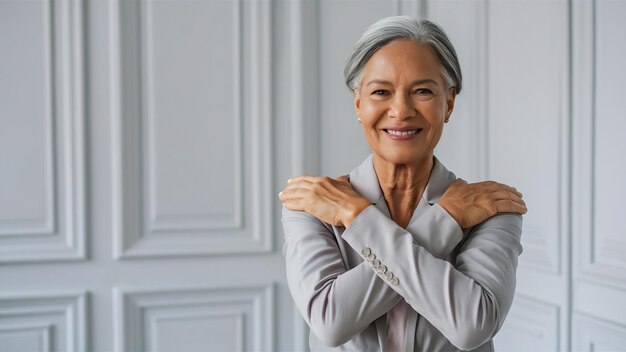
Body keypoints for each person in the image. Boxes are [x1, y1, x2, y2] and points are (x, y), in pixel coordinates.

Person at [279, 16, 527, 352]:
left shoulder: (491, 207)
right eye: (381, 91)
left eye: (422, 91)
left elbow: (472, 325)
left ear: (449, 103)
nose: (400, 110)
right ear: (358, 104)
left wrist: (357, 216)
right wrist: (448, 219)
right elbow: (331, 322)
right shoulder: (312, 206)